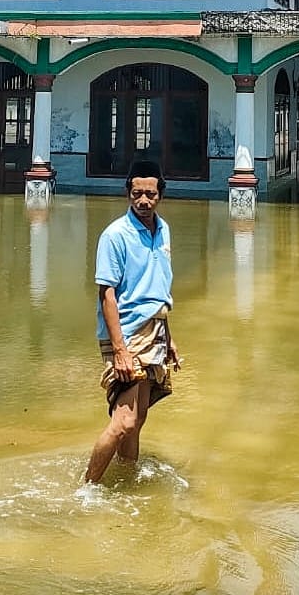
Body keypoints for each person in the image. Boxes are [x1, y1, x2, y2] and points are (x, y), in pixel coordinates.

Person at [83, 160, 182, 484]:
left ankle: (126, 476)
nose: (143, 201)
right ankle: (88, 487)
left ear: (160, 195)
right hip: (126, 333)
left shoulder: (163, 229)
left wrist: (169, 339)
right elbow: (106, 295)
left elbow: (159, 288)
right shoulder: (115, 235)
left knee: (138, 417)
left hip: (155, 329)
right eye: (137, 193)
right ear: (128, 193)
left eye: (150, 194)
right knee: (123, 422)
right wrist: (120, 351)